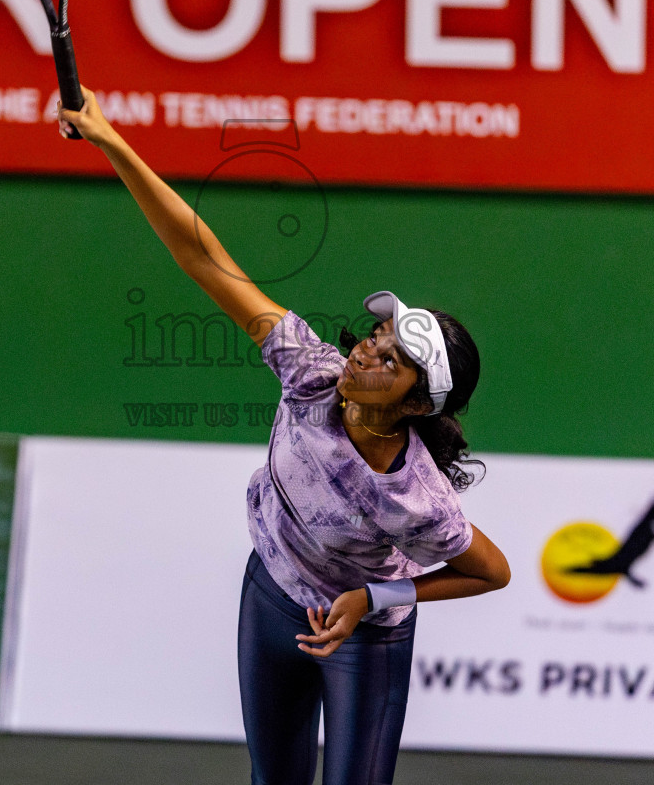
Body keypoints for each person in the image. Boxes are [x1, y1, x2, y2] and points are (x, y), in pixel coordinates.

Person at [59, 92, 511, 785]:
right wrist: (110, 139)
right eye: (379, 335)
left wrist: (376, 598)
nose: (365, 351)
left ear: (418, 403)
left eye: (390, 360)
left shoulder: (418, 499)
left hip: (363, 636)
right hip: (270, 597)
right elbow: (204, 257)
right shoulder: (310, 374)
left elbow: (491, 572)